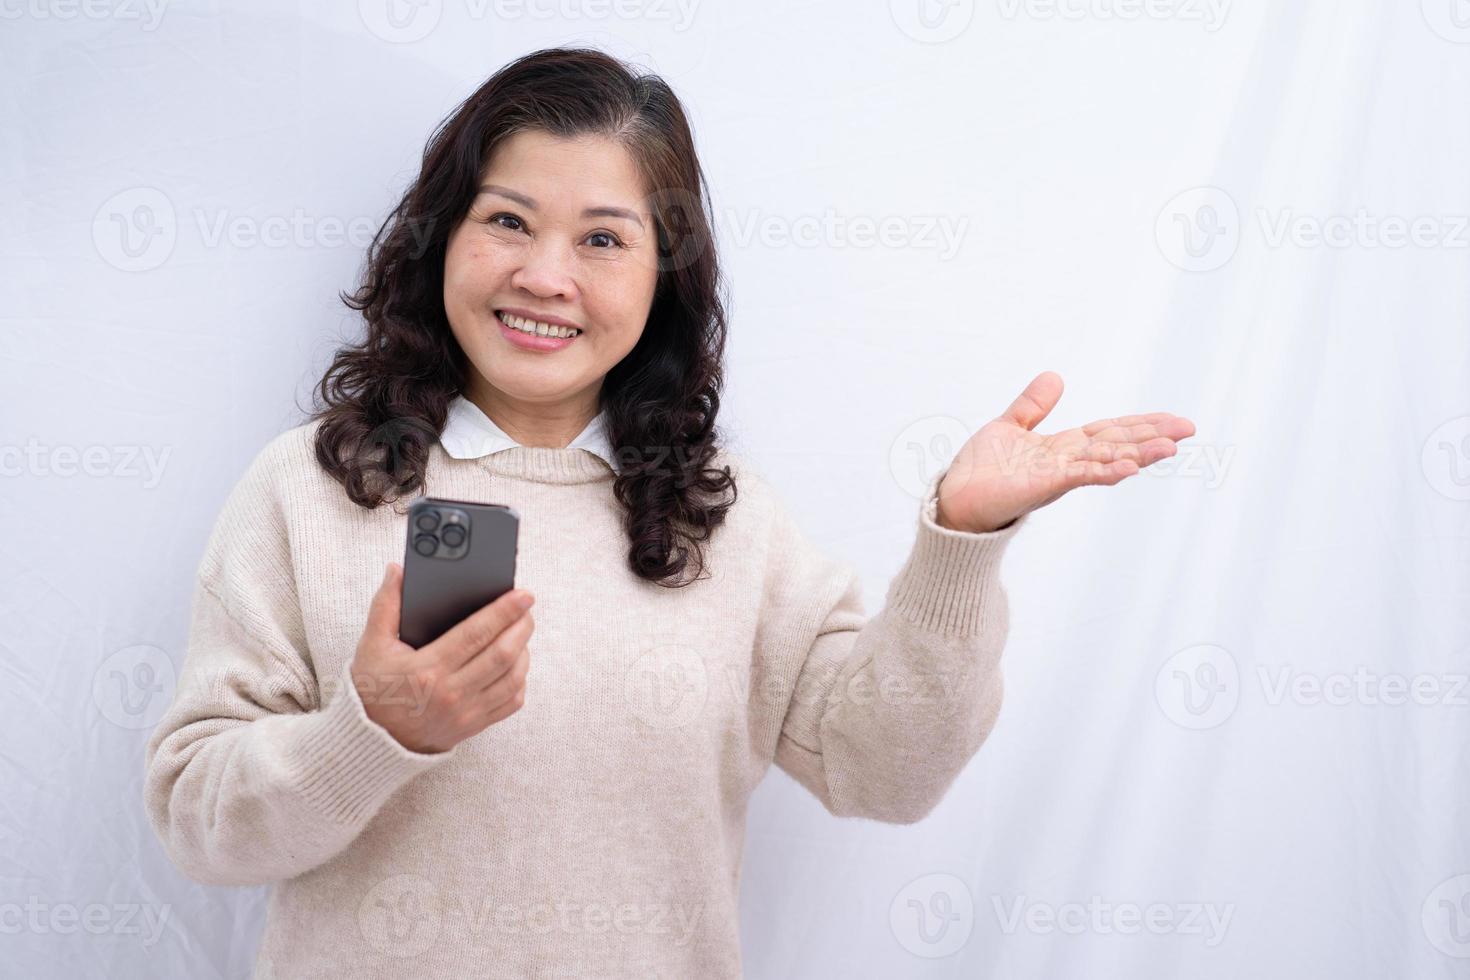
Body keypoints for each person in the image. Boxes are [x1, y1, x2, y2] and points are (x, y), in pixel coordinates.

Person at [143, 46, 1195, 979]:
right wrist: (371, 731)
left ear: (663, 277)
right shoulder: (313, 489)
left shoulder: (721, 521)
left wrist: (960, 542)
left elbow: (888, 770)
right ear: (440, 239)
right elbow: (200, 824)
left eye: (602, 240)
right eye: (507, 220)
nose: (544, 275)